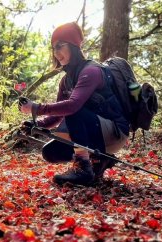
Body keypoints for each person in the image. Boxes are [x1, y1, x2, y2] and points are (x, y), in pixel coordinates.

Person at [19, 22, 129, 186]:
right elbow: (59, 114)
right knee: (50, 152)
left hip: (115, 131)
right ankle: (99, 161)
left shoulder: (91, 71)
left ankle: (83, 168)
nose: (56, 53)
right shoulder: (66, 80)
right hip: (97, 132)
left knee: (74, 109)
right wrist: (36, 123)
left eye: (59, 46)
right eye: (53, 48)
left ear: (73, 45)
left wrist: (36, 107)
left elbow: (72, 106)